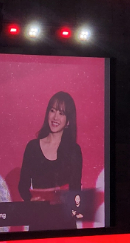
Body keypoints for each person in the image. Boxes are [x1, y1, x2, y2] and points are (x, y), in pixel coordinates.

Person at [17, 92, 83, 223]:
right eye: (53, 111)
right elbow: (22, 186)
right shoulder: (33, 147)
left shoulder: (74, 151)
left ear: (68, 121)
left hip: (64, 221)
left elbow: (75, 190)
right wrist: (30, 200)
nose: (55, 117)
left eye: (61, 113)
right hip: (38, 218)